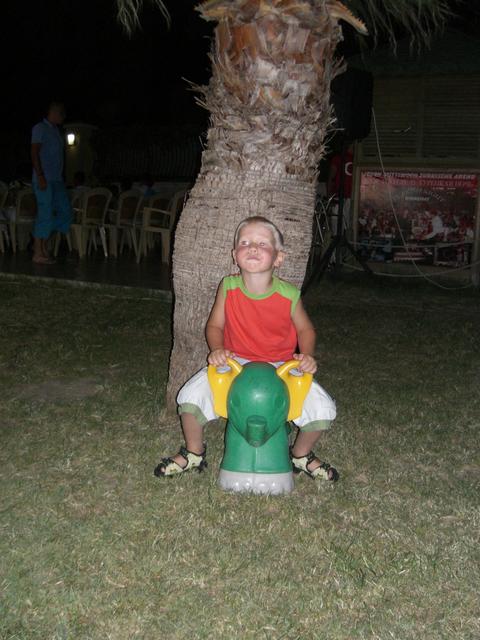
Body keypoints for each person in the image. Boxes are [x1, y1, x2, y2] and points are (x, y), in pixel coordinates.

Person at [154, 216, 338, 482]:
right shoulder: (228, 287)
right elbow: (214, 325)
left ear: (278, 258)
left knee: (322, 407)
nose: (252, 247)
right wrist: (217, 349)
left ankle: (300, 455)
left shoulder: (289, 294)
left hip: (280, 366)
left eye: (262, 243)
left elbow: (306, 330)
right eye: (245, 242)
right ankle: (194, 452)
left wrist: (306, 356)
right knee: (190, 397)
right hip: (235, 363)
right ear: (234, 255)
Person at [31, 101, 73, 264]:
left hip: (57, 180)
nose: (63, 117)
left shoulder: (56, 131)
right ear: (54, 113)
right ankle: (38, 252)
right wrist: (40, 175)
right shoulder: (40, 128)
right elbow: (34, 152)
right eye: (62, 114)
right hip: (44, 178)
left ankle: (43, 241)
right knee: (45, 213)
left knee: (66, 213)